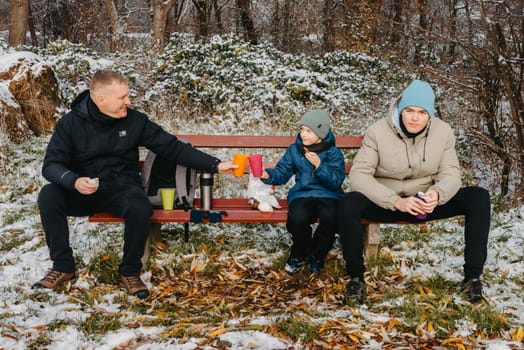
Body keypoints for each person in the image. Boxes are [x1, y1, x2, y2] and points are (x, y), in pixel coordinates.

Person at [33, 70, 237, 299]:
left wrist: (215, 165)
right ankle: (63, 266)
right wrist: (73, 181)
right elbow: (51, 165)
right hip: (84, 189)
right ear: (100, 99)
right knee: (49, 195)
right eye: (122, 97)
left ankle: (130, 271)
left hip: (122, 188)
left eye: (127, 96)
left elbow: (173, 148)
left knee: (140, 206)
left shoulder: (134, 120)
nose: (128, 102)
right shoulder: (70, 123)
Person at [339, 79, 490, 305]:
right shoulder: (378, 132)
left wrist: (437, 194)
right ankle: (356, 278)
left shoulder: (443, 132)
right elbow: (359, 176)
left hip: (424, 203)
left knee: (478, 196)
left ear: (430, 114)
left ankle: (473, 277)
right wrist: (395, 202)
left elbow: (451, 174)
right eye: (409, 110)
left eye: (421, 112)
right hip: (386, 203)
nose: (414, 117)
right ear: (400, 109)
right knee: (348, 202)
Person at [261, 109, 345, 274]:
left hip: (328, 194)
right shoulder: (295, 150)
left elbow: (335, 181)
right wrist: (268, 175)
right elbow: (283, 172)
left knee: (331, 217)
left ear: (320, 133)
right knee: (297, 219)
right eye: (302, 129)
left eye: (308, 130)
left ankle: (317, 255)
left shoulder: (333, 153)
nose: (303, 134)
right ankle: (300, 253)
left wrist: (320, 166)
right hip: (302, 194)